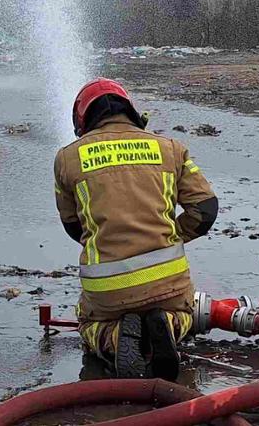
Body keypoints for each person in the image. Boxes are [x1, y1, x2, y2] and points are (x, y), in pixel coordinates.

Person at [54, 78, 218, 379]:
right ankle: (167, 324)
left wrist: (107, 240)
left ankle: (116, 338)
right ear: (130, 110)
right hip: (168, 281)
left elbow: (72, 225)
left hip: (105, 288)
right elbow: (205, 209)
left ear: (82, 120)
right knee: (185, 314)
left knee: (88, 323)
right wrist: (169, 235)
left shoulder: (67, 158)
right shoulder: (170, 148)